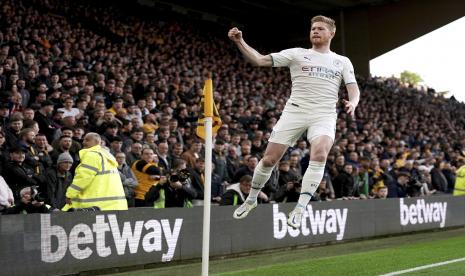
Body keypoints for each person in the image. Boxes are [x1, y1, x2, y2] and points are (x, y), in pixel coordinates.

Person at [228, 15, 360, 228]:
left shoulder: (342, 61)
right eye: (313, 28)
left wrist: (353, 102)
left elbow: (353, 89)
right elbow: (259, 60)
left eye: (320, 29)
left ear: (331, 33)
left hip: (324, 115)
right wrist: (239, 41)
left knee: (320, 153)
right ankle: (251, 200)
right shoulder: (297, 54)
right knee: (270, 159)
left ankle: (300, 208)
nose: (315, 31)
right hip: (295, 112)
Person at [62, 133, 128, 211]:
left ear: (97, 142)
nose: (83, 142)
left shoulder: (92, 155)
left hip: (95, 207)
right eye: (83, 140)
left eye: (87, 140)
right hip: (115, 205)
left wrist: (70, 194)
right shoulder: (107, 156)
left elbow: (83, 178)